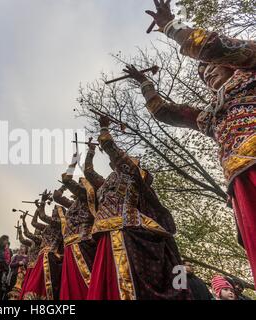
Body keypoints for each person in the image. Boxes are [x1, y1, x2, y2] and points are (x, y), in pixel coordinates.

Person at [127, 0, 256, 282]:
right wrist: (144, 84)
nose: (206, 73)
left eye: (209, 67)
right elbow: (165, 112)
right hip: (240, 182)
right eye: (202, 73)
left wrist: (172, 26)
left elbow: (212, 46)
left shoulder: (252, 65)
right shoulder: (211, 115)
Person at [84, 116, 187, 300]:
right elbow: (89, 173)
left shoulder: (132, 175)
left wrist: (104, 128)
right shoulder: (108, 182)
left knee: (126, 282)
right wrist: (90, 153)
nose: (127, 160)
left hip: (126, 231)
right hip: (105, 233)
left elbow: (111, 148)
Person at [53, 163, 97, 300]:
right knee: (70, 283)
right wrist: (63, 186)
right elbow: (57, 197)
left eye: (81, 183)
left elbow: (67, 179)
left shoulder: (88, 197)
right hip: (70, 245)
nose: (78, 186)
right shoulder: (73, 204)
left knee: (84, 280)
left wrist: (73, 163)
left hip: (83, 242)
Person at [19, 198, 63, 300]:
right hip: (41, 256)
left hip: (49, 255)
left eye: (55, 210)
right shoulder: (48, 227)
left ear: (60, 212)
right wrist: (37, 209)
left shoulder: (58, 223)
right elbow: (34, 223)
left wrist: (42, 202)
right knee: (35, 284)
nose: (53, 211)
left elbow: (42, 216)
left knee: (43, 285)